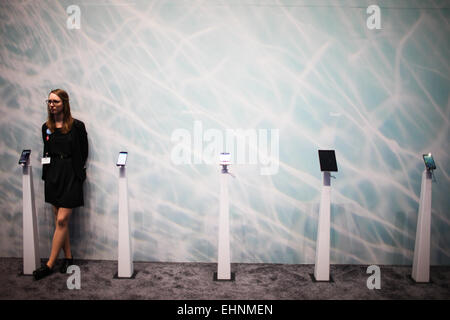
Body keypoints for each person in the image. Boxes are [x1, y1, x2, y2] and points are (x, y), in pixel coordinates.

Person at [33, 89, 88, 280]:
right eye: (49, 101)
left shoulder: (77, 126)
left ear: (64, 103)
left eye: (55, 101)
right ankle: (69, 257)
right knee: (59, 220)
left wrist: (79, 172)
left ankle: (49, 264)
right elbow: (47, 152)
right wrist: (47, 176)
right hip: (53, 175)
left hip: (71, 174)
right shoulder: (46, 127)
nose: (51, 104)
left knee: (62, 220)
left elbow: (84, 151)